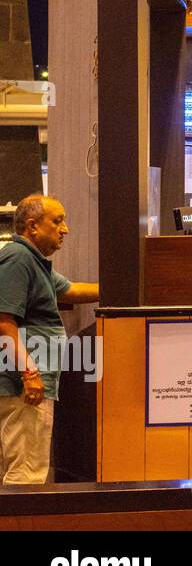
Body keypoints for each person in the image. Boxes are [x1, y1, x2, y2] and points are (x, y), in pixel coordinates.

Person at [0, 195, 100, 484]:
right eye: (57, 221)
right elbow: (4, 323)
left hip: (25, 384)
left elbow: (70, 291)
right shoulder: (18, 259)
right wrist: (30, 373)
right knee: (26, 475)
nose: (65, 229)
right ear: (32, 226)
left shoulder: (33, 262)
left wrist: (121, 286)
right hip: (23, 386)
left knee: (20, 469)